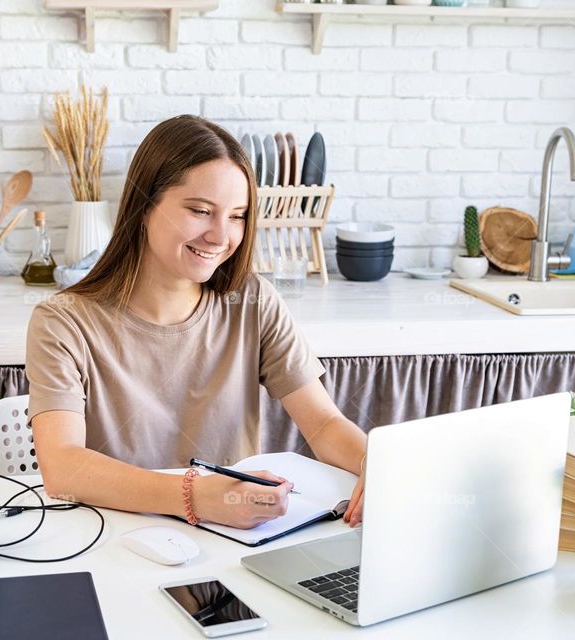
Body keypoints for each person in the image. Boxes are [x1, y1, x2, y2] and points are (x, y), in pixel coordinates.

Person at [26, 115, 366, 530]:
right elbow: (62, 467)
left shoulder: (253, 302)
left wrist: (379, 465)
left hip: (232, 542)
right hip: (115, 542)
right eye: (201, 211)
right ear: (145, 207)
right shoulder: (63, 323)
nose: (220, 236)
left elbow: (325, 423)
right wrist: (194, 496)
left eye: (237, 216)